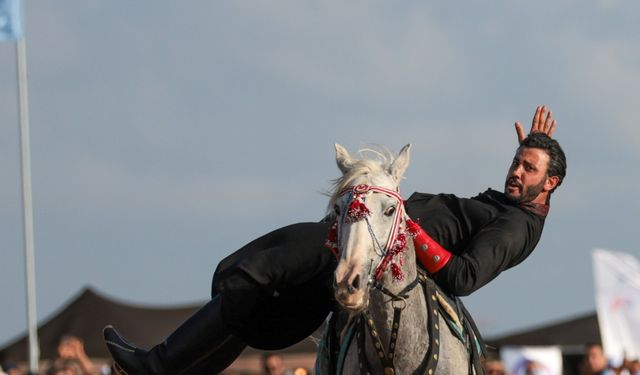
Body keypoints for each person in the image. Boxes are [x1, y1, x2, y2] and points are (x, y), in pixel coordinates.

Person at [104, 105, 566, 375]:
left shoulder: (517, 227)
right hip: (365, 243)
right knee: (252, 300)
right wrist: (537, 144)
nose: (516, 170)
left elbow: (464, 277)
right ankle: (168, 368)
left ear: (551, 184)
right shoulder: (513, 205)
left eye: (529, 169)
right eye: (517, 161)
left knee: (252, 271)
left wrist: (405, 226)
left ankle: (155, 366)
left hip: (378, 249)